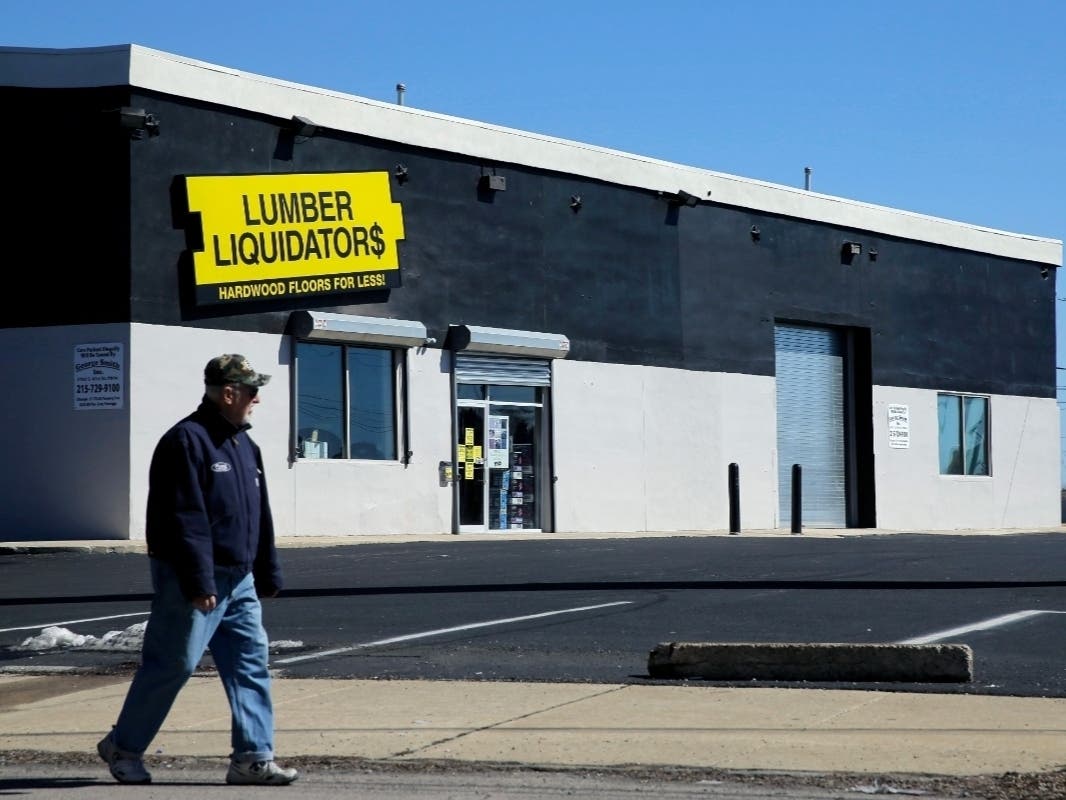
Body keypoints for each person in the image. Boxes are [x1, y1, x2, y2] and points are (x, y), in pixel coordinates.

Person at [97, 354, 297, 786]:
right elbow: (183, 519)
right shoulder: (186, 441)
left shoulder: (245, 445)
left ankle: (252, 759)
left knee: (251, 664)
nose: (256, 399)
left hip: (238, 578)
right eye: (250, 391)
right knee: (174, 663)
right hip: (191, 578)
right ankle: (123, 747)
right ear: (228, 393)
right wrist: (198, 580)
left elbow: (258, 514)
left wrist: (267, 570)